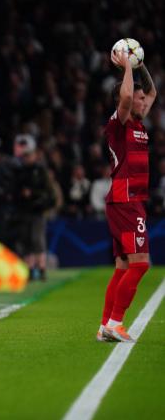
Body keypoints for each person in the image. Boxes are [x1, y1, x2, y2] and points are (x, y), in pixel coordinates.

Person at [97, 49, 157, 343]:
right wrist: (127, 69)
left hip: (130, 201)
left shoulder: (138, 123)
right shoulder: (117, 124)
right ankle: (115, 323)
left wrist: (140, 64)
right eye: (138, 95)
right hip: (125, 200)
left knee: (122, 266)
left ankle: (105, 325)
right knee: (141, 263)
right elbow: (125, 97)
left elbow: (154, 91)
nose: (143, 99)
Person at [12, 134, 56, 281]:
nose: (26, 158)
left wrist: (33, 195)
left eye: (28, 155)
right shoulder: (20, 172)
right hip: (25, 211)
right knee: (26, 241)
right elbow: (15, 192)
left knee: (38, 240)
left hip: (38, 211)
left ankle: (42, 269)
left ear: (34, 155)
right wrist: (22, 195)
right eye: (24, 156)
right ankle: (30, 271)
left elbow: (49, 193)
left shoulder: (41, 171)